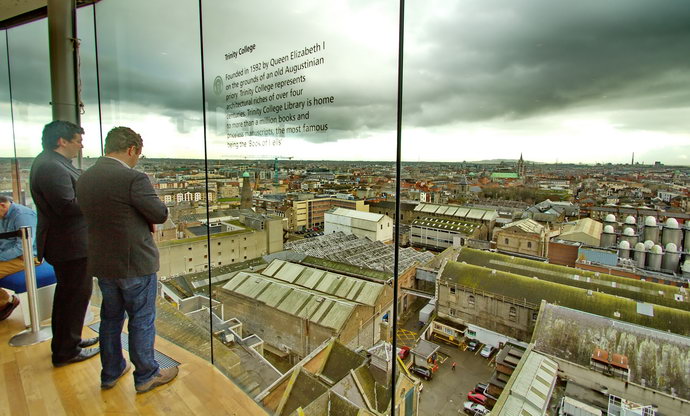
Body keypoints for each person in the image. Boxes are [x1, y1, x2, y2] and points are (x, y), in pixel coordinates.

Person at [76, 127, 176, 393]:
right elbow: (159, 213)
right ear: (131, 149)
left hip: (103, 262)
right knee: (141, 319)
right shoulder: (133, 179)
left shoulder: (85, 178)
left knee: (110, 319)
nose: (137, 161)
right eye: (138, 155)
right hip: (135, 263)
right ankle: (146, 375)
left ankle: (111, 371)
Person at [29, 120, 99, 366]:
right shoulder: (51, 166)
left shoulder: (51, 162)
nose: (81, 146)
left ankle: (69, 341)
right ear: (62, 141)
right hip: (70, 244)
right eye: (78, 140)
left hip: (68, 243)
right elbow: (66, 206)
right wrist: (96, 199)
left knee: (70, 296)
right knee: (74, 296)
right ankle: (66, 351)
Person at [0, 196, 38, 320]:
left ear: (2, 205)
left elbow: (22, 248)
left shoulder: (23, 215)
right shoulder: (2, 215)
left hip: (28, 256)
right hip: (11, 254)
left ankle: (7, 301)